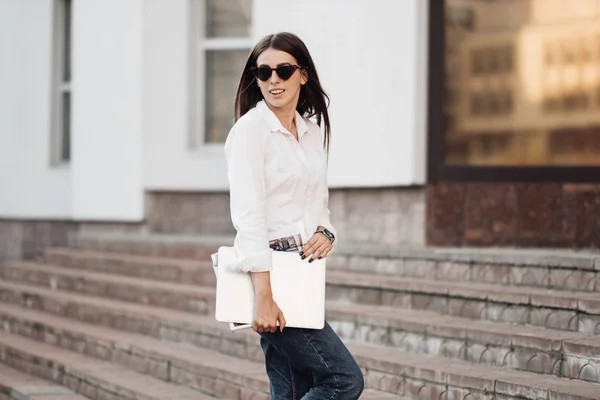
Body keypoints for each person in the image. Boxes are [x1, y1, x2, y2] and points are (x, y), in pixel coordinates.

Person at [224, 32, 365, 400]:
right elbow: (249, 216)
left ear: (302, 74)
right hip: (272, 278)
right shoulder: (250, 132)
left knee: (290, 391)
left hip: (301, 274)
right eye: (264, 72)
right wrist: (264, 296)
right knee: (343, 380)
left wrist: (327, 232)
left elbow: (320, 206)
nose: (273, 80)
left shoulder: (311, 132)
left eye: (283, 70)